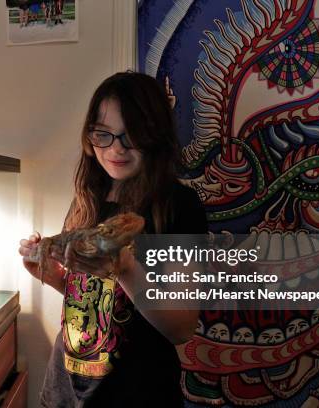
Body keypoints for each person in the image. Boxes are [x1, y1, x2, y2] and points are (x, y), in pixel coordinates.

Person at [18, 72, 208, 407]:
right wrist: (51, 275)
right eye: (103, 134)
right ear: (89, 138)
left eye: (130, 135)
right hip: (65, 388)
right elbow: (92, 295)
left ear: (154, 136)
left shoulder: (178, 206)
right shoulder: (86, 200)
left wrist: (125, 268)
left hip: (137, 394)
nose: (116, 148)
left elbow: (181, 326)